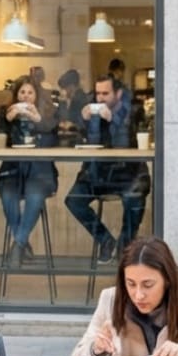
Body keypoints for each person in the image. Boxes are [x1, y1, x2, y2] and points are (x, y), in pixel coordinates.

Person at [65, 74, 149, 263]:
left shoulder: (133, 109)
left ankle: (124, 251)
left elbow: (124, 145)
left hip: (129, 174)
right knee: (74, 200)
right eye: (98, 93)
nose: (100, 98)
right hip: (99, 174)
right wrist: (84, 120)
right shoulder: (93, 108)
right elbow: (87, 141)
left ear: (118, 94)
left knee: (134, 200)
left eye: (105, 93)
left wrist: (112, 120)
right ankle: (106, 240)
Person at [0, 75, 57, 265]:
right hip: (12, 170)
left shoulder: (47, 114)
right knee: (7, 196)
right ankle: (22, 243)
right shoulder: (7, 113)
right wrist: (6, 122)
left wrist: (38, 120)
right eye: (22, 92)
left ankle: (18, 245)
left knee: (35, 196)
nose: (26, 96)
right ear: (16, 95)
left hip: (40, 172)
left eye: (30, 92)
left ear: (37, 95)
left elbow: (53, 141)